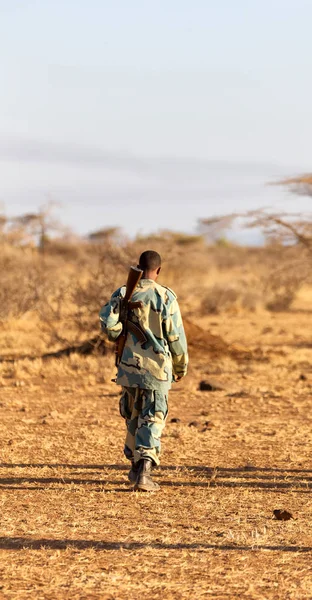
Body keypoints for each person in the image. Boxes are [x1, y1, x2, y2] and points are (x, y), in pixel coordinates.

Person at [99, 250, 188, 492]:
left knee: (133, 417)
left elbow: (110, 330)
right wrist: (181, 367)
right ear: (158, 271)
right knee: (153, 418)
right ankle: (145, 474)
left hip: (128, 369)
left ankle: (135, 467)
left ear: (138, 267)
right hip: (157, 371)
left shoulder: (123, 293)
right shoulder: (165, 296)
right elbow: (176, 337)